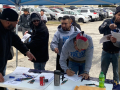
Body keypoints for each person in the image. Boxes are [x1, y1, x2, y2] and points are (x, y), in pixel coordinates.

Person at [0, 8, 36, 90]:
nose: (16, 26)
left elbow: (16, 41)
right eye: (15, 23)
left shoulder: (7, 30)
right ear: (8, 22)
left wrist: (26, 51)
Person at [99, 6, 120, 83]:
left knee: (116, 74)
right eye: (119, 15)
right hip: (106, 52)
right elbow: (100, 30)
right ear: (115, 14)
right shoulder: (107, 21)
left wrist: (115, 41)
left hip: (117, 53)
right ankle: (101, 86)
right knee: (103, 72)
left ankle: (116, 86)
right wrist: (108, 26)